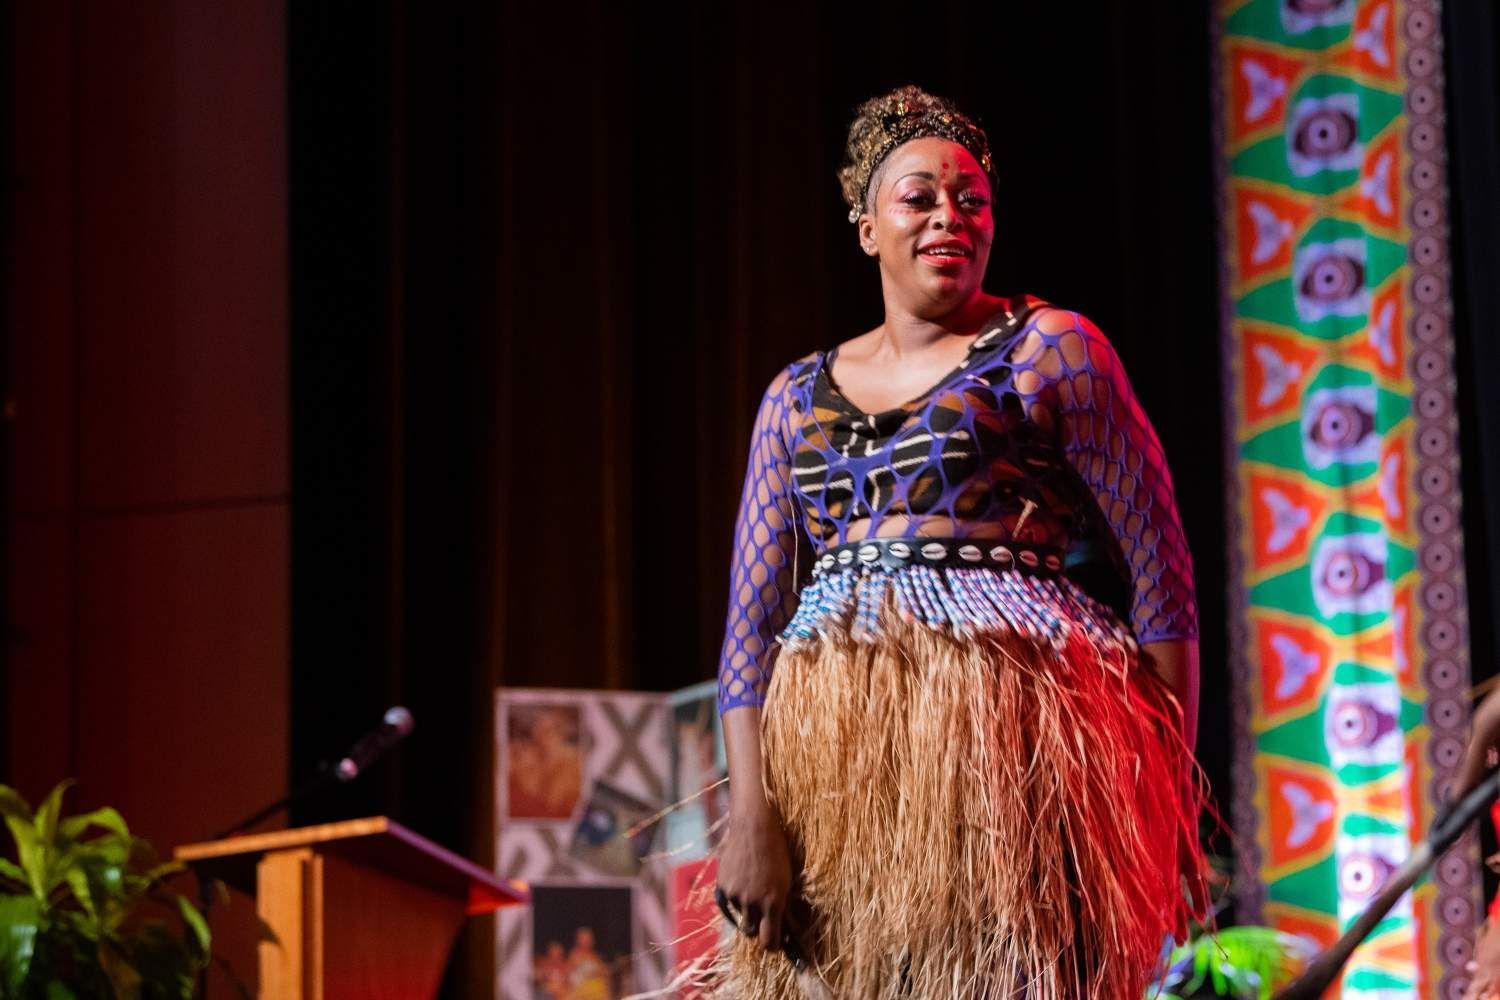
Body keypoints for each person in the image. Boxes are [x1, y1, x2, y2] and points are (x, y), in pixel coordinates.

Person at [709, 85, 1207, 998]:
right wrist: (750, 814)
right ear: (866, 227)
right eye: (921, 197)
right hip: (843, 793)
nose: (951, 216)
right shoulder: (791, 399)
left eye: (972, 200)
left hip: (1015, 777)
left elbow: (1164, 582)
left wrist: (1160, 812)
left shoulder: (1050, 349)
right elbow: (750, 634)